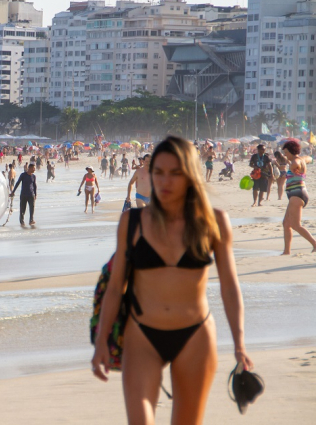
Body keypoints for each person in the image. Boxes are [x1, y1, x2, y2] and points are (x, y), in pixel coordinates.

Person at [92, 136, 252, 425]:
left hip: (196, 336)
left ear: (190, 175)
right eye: (158, 172)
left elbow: (229, 287)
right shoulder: (133, 222)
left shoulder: (213, 221)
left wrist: (239, 344)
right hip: (141, 334)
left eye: (175, 173)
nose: (165, 181)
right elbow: (116, 287)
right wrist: (101, 340)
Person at [281, 141, 316, 254]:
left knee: (296, 225)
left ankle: (315, 244)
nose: (285, 154)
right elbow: (309, 158)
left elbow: (296, 164)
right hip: (296, 194)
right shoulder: (300, 159)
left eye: (286, 152)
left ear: (291, 151)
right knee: (286, 223)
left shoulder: (295, 162)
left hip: (297, 195)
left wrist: (295, 166)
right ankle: (287, 251)